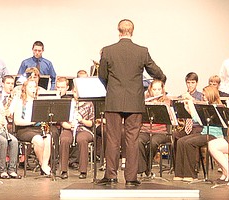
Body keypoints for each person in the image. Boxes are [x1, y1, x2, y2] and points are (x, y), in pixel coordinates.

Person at [96, 19, 166, 187]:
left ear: (118, 31)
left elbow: (102, 75)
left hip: (114, 100)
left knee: (112, 138)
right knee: (132, 139)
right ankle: (131, 177)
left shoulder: (108, 50)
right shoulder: (142, 51)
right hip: (135, 101)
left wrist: (111, 89)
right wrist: (162, 79)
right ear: (132, 31)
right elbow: (156, 72)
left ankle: (111, 175)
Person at [173, 86, 223, 182]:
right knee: (181, 141)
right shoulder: (206, 106)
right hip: (205, 132)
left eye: (204, 95)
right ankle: (179, 173)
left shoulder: (217, 107)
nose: (203, 97)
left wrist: (191, 104)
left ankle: (191, 174)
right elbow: (197, 119)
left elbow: (198, 120)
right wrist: (188, 108)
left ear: (210, 95)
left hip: (214, 135)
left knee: (189, 143)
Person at [12, 79, 55, 176]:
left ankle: (44, 165)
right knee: (38, 140)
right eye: (30, 87)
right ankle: (42, 165)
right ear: (25, 89)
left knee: (48, 139)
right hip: (24, 129)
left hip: (38, 129)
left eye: (34, 87)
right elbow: (17, 121)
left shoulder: (39, 101)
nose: (33, 89)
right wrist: (31, 122)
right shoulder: (20, 102)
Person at [57, 86, 95, 179]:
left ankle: (83, 170)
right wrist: (70, 126)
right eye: (75, 92)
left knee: (82, 139)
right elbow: (62, 121)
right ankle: (63, 170)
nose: (76, 94)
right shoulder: (68, 103)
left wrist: (82, 120)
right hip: (69, 128)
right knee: (65, 139)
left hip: (83, 128)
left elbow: (91, 123)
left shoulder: (89, 104)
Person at [137, 79, 172, 177]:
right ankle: (142, 167)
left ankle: (147, 168)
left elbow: (169, 117)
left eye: (158, 89)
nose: (156, 92)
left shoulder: (166, 101)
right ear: (150, 90)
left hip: (160, 132)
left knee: (153, 142)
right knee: (138, 141)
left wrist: (159, 105)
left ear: (162, 90)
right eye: (154, 89)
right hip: (145, 130)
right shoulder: (144, 100)